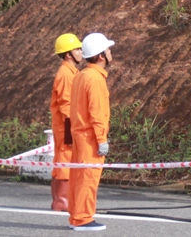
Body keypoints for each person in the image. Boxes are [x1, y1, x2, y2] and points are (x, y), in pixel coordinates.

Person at [68, 32, 114, 231]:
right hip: (90, 137)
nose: (111, 52)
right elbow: (97, 113)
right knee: (88, 178)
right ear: (101, 55)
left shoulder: (81, 75)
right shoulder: (95, 79)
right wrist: (101, 139)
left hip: (79, 135)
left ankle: (76, 216)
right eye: (108, 49)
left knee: (78, 178)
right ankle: (83, 219)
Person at [50, 34, 84, 211]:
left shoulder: (72, 73)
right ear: (68, 54)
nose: (81, 52)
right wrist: (72, 130)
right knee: (64, 159)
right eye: (77, 49)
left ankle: (65, 200)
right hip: (66, 127)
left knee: (67, 160)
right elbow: (65, 105)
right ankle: (61, 201)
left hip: (69, 125)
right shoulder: (65, 74)